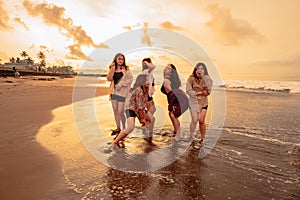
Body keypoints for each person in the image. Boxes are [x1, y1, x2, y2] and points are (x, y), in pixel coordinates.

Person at [110, 74, 154, 148]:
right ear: (142, 81)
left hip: (138, 108)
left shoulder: (147, 91)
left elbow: (142, 106)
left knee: (152, 118)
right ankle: (114, 143)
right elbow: (139, 109)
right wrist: (142, 119)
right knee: (130, 127)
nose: (148, 82)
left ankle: (149, 137)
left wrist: (144, 118)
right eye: (146, 80)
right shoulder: (138, 90)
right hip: (130, 108)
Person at [186, 62, 213, 145]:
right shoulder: (191, 79)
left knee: (201, 120)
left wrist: (203, 91)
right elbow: (188, 91)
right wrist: (200, 92)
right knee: (194, 120)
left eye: (202, 69)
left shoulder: (208, 79)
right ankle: (191, 136)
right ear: (195, 70)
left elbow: (208, 92)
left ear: (204, 71)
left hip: (203, 102)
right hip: (193, 102)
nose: (199, 70)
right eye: (198, 69)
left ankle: (202, 137)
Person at [107, 53, 133, 135]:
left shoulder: (126, 69)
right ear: (116, 59)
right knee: (115, 110)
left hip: (122, 93)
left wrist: (121, 85)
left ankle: (124, 128)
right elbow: (109, 78)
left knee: (121, 111)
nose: (121, 60)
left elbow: (130, 79)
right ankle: (118, 128)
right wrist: (112, 69)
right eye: (119, 59)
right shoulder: (112, 68)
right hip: (114, 92)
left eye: (122, 59)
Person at [161, 64, 187, 140]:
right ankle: (176, 131)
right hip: (181, 99)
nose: (165, 69)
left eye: (168, 69)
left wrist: (171, 105)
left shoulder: (166, 81)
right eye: (165, 68)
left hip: (178, 100)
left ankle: (178, 135)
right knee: (172, 115)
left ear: (172, 72)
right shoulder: (172, 80)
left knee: (173, 115)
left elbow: (171, 94)